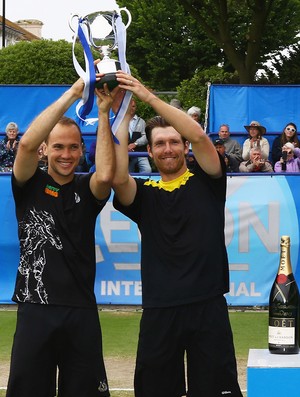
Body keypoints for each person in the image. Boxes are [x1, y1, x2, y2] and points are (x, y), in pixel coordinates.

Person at [112, 71, 243, 397]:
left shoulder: (208, 179)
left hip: (208, 307)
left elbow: (199, 136)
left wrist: (146, 96)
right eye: (159, 143)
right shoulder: (144, 194)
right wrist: (119, 117)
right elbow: (116, 177)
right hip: (159, 311)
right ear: (151, 152)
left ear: (184, 146)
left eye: (173, 141)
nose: (167, 148)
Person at [6, 76, 116, 397]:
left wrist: (105, 112)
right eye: (57, 146)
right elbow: (24, 145)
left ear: (82, 149)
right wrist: (73, 94)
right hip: (35, 309)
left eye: (72, 146)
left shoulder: (87, 187)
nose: (65, 154)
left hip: (80, 311)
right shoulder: (29, 183)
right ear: (45, 149)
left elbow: (106, 175)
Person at [128, 98, 152, 173]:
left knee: (147, 170)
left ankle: (143, 184)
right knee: (127, 173)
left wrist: (135, 144)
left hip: (140, 151)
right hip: (125, 153)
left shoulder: (141, 121)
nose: (131, 108)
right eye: (129, 106)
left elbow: (146, 136)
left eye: (133, 106)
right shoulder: (120, 121)